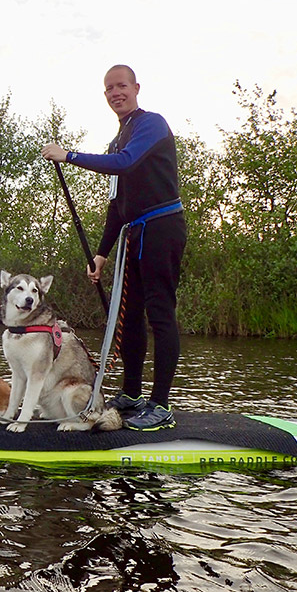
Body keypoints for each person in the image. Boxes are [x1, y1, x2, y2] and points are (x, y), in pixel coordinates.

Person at [41, 65, 186, 431]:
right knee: (131, 316)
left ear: (136, 87)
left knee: (160, 314)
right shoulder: (118, 138)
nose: (115, 93)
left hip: (162, 226)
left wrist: (69, 155)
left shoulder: (151, 124)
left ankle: (161, 405)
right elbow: (116, 206)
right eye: (109, 88)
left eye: (121, 86)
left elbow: (125, 164)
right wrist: (102, 254)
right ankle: (133, 394)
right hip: (134, 235)